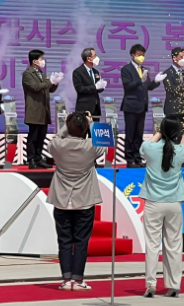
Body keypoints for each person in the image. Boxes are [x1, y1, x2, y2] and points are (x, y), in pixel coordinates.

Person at [47, 111, 105, 292]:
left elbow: (58, 135)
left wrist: (68, 123)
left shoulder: (57, 145)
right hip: (84, 200)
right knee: (81, 242)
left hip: (62, 200)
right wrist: (90, 122)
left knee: (64, 241)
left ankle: (66, 280)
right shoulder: (92, 145)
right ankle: (78, 280)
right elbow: (102, 139)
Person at [140, 114, 184, 298]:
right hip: (174, 203)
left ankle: (151, 284)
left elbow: (145, 147)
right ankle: (174, 285)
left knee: (152, 246)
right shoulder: (181, 151)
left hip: (153, 203)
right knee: (174, 245)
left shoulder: (150, 148)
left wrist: (159, 132)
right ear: (177, 132)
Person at [121, 44, 166, 168]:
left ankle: (138, 157)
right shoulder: (126, 69)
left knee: (139, 134)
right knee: (130, 134)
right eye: (139, 55)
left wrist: (156, 81)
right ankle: (129, 159)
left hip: (142, 106)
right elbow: (127, 86)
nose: (141, 57)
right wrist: (139, 80)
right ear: (132, 55)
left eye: (143, 55)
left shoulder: (143, 69)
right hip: (130, 106)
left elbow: (148, 87)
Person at [22, 49, 63, 169]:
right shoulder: (27, 74)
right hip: (34, 110)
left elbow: (49, 89)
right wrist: (50, 82)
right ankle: (31, 160)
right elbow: (35, 87)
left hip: (44, 110)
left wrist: (55, 83)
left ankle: (38, 158)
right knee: (33, 137)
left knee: (41, 136)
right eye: (41, 59)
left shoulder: (42, 74)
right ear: (34, 61)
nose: (43, 61)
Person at [72, 48, 106, 120]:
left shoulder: (95, 72)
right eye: (95, 55)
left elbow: (97, 89)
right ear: (88, 58)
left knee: (95, 130)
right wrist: (95, 87)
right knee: (83, 130)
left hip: (96, 108)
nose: (97, 58)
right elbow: (79, 89)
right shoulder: (78, 72)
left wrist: (101, 87)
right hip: (84, 108)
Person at [163, 47, 184, 117]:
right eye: (181, 57)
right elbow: (170, 89)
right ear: (174, 58)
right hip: (173, 108)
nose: (183, 59)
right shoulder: (167, 73)